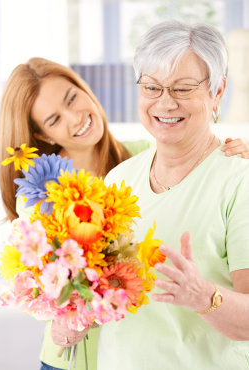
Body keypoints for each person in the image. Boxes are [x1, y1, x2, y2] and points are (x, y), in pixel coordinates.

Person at [0, 56, 248, 370]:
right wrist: (60, 320)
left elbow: (198, 159)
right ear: (45, 136)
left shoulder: (146, 156)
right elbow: (35, 278)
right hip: (72, 354)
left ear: (84, 90)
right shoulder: (41, 192)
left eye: (72, 99)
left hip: (136, 349)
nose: (75, 118)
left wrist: (235, 152)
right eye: (54, 120)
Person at [97, 20, 249, 369]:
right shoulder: (118, 180)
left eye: (182, 89)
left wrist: (202, 296)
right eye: (151, 87)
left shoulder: (239, 180)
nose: (165, 103)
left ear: (218, 92)